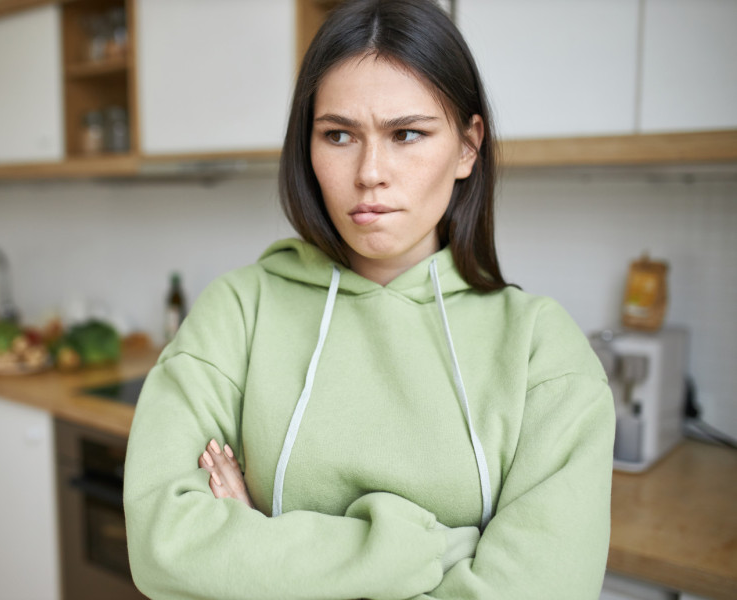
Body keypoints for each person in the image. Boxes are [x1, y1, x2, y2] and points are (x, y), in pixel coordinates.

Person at [123, 0, 614, 598]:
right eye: (338, 135)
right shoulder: (238, 311)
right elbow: (164, 549)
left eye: (407, 134)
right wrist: (441, 548)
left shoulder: (542, 350)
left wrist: (259, 549)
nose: (369, 173)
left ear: (467, 146)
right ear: (307, 146)